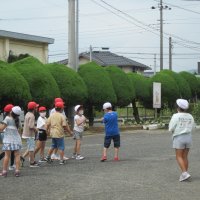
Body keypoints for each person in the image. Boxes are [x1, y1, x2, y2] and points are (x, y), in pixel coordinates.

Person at [169, 99, 195, 182]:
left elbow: (171, 128)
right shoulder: (190, 116)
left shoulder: (175, 116)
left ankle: (184, 173)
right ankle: (184, 174)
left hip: (179, 137)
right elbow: (193, 127)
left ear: (177, 107)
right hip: (188, 137)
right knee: (185, 156)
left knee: (178, 156)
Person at [0, 106, 22, 177]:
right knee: (17, 156)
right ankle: (17, 171)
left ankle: (4, 172)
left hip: (8, 141)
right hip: (17, 140)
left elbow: (1, 128)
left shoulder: (7, 118)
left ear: (11, 111)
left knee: (7, 156)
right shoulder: (18, 120)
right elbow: (20, 130)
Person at [21, 101, 39, 167]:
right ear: (34, 108)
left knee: (29, 147)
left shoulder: (27, 114)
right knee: (31, 148)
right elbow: (31, 126)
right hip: (30, 134)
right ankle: (32, 162)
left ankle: (22, 157)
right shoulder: (32, 116)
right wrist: (36, 128)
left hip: (26, 133)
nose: (37, 109)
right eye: (36, 107)